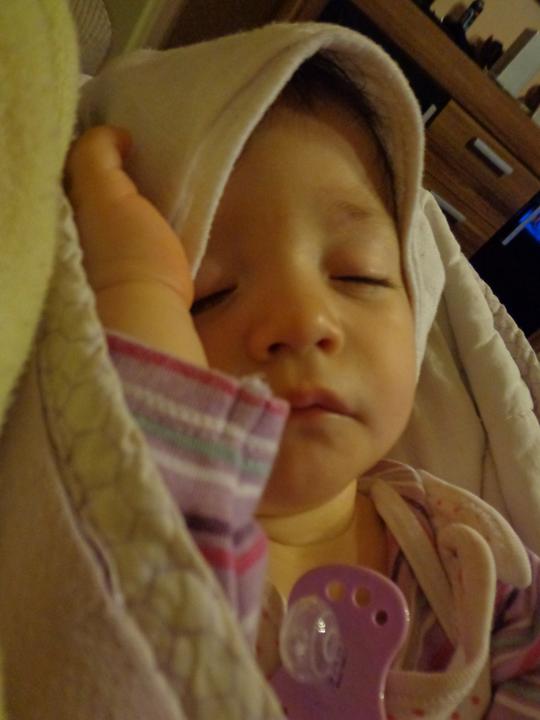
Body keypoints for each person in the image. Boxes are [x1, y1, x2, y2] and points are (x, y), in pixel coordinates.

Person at [65, 40, 540, 720]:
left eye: (357, 274)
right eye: (206, 294)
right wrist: (131, 279)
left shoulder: (466, 558)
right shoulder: (137, 531)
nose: (302, 321)